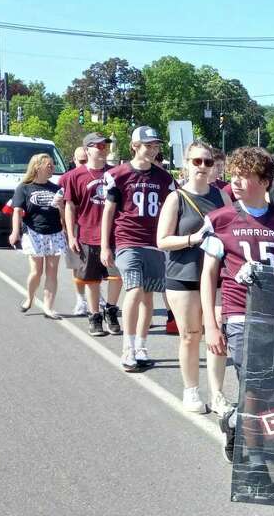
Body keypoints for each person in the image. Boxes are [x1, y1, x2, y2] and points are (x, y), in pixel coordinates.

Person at [200, 146, 274, 471]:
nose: (237, 181)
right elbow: (208, 276)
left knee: (269, 387)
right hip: (240, 314)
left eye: (246, 175)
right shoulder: (222, 219)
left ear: (266, 181)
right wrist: (212, 324)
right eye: (235, 174)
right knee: (253, 383)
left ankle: (233, 420)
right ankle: (255, 460)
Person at [157, 141, 236, 413]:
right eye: (197, 161)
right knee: (190, 335)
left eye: (208, 162)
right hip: (183, 275)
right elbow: (162, 240)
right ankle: (191, 390)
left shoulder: (222, 197)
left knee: (217, 335)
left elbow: (232, 231)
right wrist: (194, 238)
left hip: (216, 275)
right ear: (186, 163)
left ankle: (217, 394)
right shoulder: (175, 198)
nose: (202, 167)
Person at [101, 125, 175, 373]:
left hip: (154, 243)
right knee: (134, 289)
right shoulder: (119, 174)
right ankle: (127, 347)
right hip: (128, 241)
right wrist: (105, 245)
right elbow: (109, 212)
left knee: (147, 296)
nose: (152, 150)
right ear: (134, 146)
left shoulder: (164, 178)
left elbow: (172, 209)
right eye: (147, 145)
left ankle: (141, 346)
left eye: (155, 146)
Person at [63, 132, 122, 336]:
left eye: (104, 146)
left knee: (116, 276)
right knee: (92, 279)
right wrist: (71, 235)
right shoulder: (74, 176)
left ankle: (111, 310)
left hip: (114, 234)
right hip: (88, 233)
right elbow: (70, 207)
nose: (102, 149)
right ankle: (94, 316)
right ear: (87, 149)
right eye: (98, 146)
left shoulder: (115, 173)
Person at [9, 153, 67, 319]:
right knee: (36, 271)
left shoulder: (56, 189)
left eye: (52, 165)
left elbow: (63, 216)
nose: (52, 168)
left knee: (52, 271)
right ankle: (30, 297)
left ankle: (48, 307)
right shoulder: (24, 188)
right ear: (37, 167)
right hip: (34, 233)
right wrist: (15, 232)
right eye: (48, 165)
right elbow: (17, 212)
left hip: (54, 232)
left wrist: (61, 207)